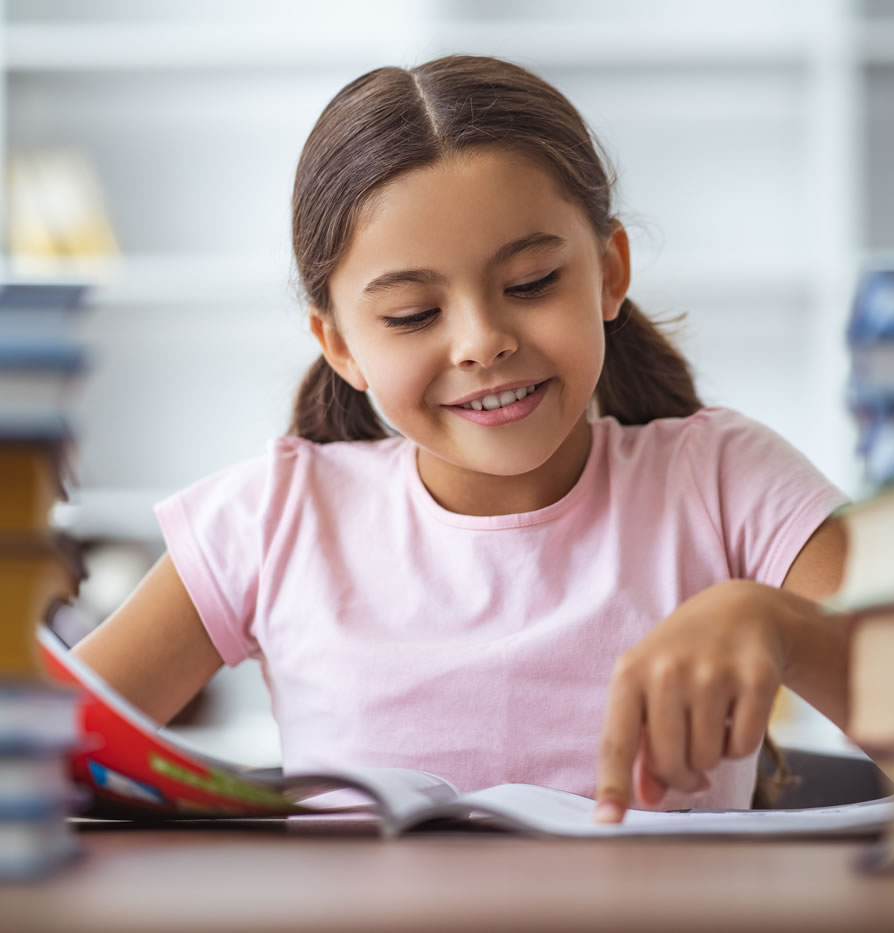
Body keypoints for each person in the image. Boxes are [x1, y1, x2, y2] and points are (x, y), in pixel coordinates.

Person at [73, 54, 851, 824]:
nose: (482, 342)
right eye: (413, 314)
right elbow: (39, 756)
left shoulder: (725, 483)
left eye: (531, 283)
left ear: (611, 272)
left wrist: (786, 629)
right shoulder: (267, 522)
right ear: (339, 344)